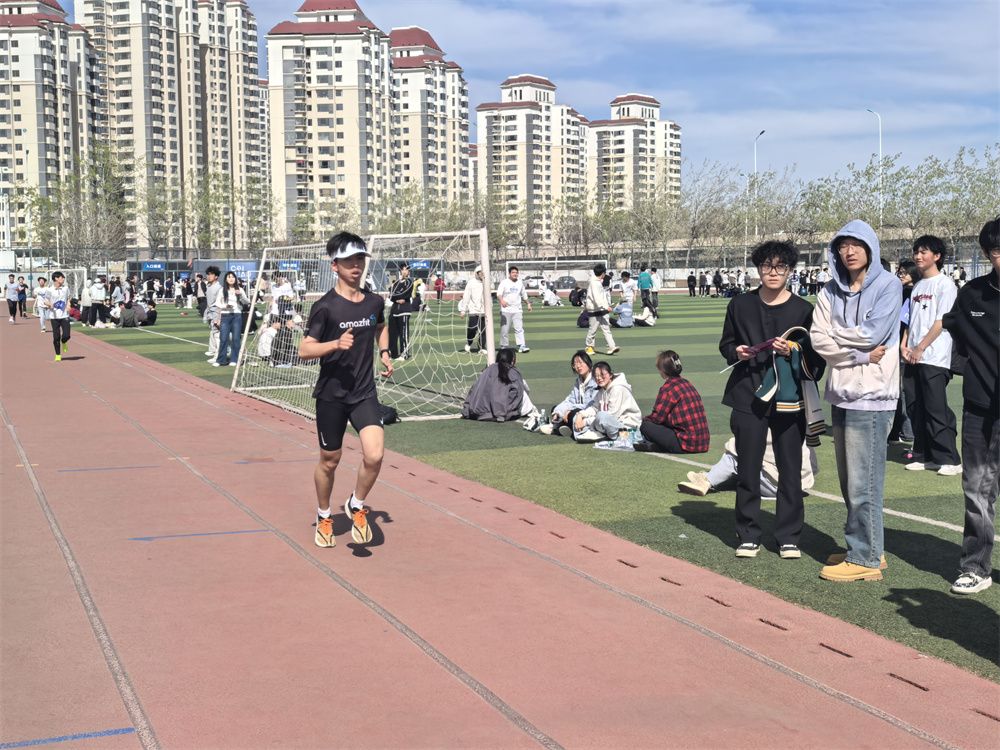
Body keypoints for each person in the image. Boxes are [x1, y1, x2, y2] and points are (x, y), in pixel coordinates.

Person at [720, 240, 824, 560]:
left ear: (790, 271)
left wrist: (793, 350)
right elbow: (726, 344)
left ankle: (788, 536)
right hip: (747, 394)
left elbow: (816, 361)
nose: (773, 272)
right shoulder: (740, 305)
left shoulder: (804, 310)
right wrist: (736, 351)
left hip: (789, 399)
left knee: (790, 470)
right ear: (758, 269)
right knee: (747, 468)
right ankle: (748, 534)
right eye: (767, 266)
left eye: (781, 266)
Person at [811, 220, 902, 582]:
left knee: (865, 482)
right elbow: (818, 338)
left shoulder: (889, 285)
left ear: (870, 248)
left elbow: (873, 333)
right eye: (842, 245)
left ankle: (865, 558)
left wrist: (838, 335)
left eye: (856, 244)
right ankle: (868, 548)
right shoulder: (830, 290)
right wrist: (857, 352)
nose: (848, 252)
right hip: (842, 392)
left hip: (874, 395)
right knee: (851, 481)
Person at [298, 231, 393, 548]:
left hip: (364, 392)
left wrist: (384, 352)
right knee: (330, 460)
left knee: (375, 455)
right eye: (350, 260)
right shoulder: (325, 307)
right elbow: (304, 349)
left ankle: (356, 503)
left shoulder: (374, 301)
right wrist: (335, 344)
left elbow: (380, 325)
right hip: (331, 396)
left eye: (360, 259)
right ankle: (324, 515)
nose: (357, 266)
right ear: (334, 265)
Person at [941, 217, 999, 594]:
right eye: (996, 251)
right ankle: (975, 566)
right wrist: (971, 370)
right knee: (976, 487)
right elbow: (953, 332)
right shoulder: (972, 294)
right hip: (980, 407)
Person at [901, 236, 961, 475]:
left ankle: (949, 459)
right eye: (916, 251)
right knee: (915, 406)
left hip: (934, 356)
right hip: (912, 356)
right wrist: (905, 345)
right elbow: (910, 321)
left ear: (937, 256)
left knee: (935, 408)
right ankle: (924, 455)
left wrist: (921, 347)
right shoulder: (917, 286)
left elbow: (941, 322)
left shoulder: (945, 285)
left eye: (923, 252)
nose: (918, 256)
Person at [678, 436, 818, 499]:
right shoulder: (798, 416)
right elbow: (814, 466)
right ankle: (712, 476)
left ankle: (707, 480)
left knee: (734, 455)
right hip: (799, 486)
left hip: (776, 486)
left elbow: (736, 446)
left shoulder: (765, 420)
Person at [635, 350, 710, 454]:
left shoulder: (668, 388)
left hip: (686, 444)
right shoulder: (687, 383)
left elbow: (657, 418)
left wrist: (643, 421)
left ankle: (659, 446)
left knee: (646, 426)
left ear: (663, 370)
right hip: (703, 443)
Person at [461, 347, 541, 426]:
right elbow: (518, 393)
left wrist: (467, 409)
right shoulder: (513, 372)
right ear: (513, 360)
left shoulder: (486, 370)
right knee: (523, 391)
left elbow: (473, 390)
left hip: (478, 411)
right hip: (501, 413)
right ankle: (532, 411)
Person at [573, 361, 641, 442]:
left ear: (610, 375)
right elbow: (594, 408)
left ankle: (621, 437)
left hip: (626, 426)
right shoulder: (601, 390)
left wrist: (585, 422)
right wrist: (580, 415)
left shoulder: (618, 389)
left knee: (601, 417)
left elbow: (612, 415)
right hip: (611, 425)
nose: (599, 378)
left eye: (602, 375)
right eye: (596, 376)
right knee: (576, 418)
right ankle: (593, 433)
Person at [887, 260, 917, 445]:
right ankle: (899, 431)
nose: (901, 275)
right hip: (897, 345)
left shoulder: (914, 293)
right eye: (899, 272)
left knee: (904, 391)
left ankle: (907, 431)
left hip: (907, 347)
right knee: (898, 390)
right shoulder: (899, 291)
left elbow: (906, 322)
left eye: (904, 272)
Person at [539, 350, 598, 436]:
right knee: (555, 409)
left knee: (572, 413)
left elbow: (589, 404)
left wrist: (570, 410)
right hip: (579, 409)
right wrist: (558, 412)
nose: (578, 366)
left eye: (580, 362)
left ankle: (558, 428)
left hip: (591, 412)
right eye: (575, 364)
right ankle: (564, 427)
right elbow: (571, 400)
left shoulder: (595, 380)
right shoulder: (579, 381)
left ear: (588, 363)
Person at [212, 271, 250, 367]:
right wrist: (225, 306)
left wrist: (240, 295)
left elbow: (247, 302)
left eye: (233, 277)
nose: (231, 279)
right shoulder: (222, 290)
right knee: (223, 338)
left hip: (237, 315)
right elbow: (217, 303)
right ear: (226, 279)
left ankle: (234, 359)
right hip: (225, 315)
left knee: (236, 338)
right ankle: (221, 360)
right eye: (229, 277)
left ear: (235, 279)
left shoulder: (240, 289)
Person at [584, 263, 620, 356]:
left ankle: (612, 347)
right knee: (593, 329)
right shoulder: (594, 283)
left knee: (606, 328)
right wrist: (605, 307)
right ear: (603, 273)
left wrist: (606, 306)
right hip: (594, 309)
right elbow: (596, 298)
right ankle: (589, 347)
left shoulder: (597, 282)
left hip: (602, 309)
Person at [497, 265, 532, 353]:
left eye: (516, 273)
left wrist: (528, 304)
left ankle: (521, 345)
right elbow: (499, 294)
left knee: (519, 329)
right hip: (506, 310)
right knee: (504, 330)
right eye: (513, 272)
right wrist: (502, 301)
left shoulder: (520, 283)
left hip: (517, 309)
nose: (515, 274)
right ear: (509, 274)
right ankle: (504, 346)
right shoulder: (504, 282)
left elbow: (524, 295)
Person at [43, 271, 71, 361]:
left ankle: (64, 342)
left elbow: (68, 298)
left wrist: (68, 305)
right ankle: (58, 354)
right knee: (56, 337)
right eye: (61, 277)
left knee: (67, 335)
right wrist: (49, 304)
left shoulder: (65, 288)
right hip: (54, 316)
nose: (63, 279)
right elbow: (45, 300)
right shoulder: (49, 290)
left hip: (64, 315)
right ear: (56, 278)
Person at [459, 265, 486, 352]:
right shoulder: (471, 283)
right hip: (473, 310)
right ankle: (469, 342)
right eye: (480, 272)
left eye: (483, 272)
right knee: (472, 329)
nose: (481, 274)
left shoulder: (487, 282)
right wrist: (463, 310)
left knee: (484, 330)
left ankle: (482, 347)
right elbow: (466, 296)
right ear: (477, 273)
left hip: (484, 311)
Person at [203, 266, 221, 361]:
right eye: (208, 274)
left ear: (216, 276)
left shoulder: (219, 288)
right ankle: (213, 350)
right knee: (213, 332)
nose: (209, 276)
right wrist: (206, 314)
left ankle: (218, 356)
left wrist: (218, 317)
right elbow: (208, 302)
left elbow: (219, 303)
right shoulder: (208, 286)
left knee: (217, 334)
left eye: (211, 274)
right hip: (210, 312)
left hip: (216, 312)